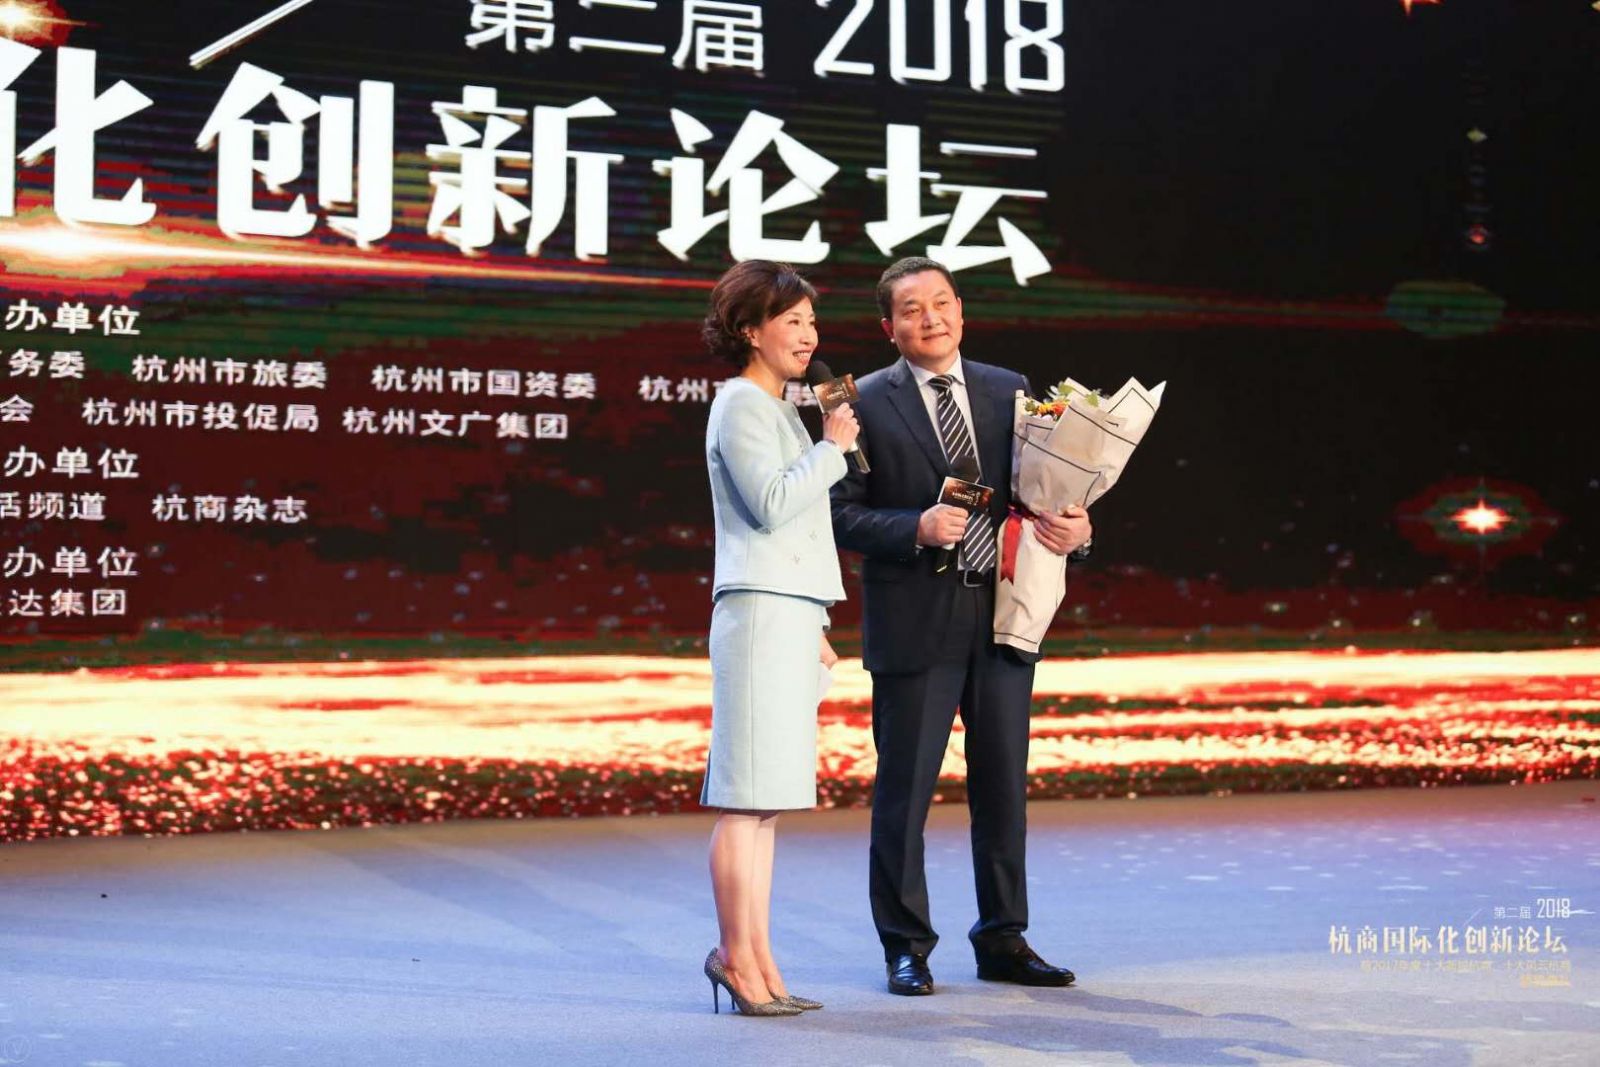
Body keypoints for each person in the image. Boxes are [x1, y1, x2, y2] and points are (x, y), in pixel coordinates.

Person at [830, 256, 1093, 996]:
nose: (931, 318)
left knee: (1004, 786)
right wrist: (913, 526)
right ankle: (905, 946)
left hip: (1002, 610)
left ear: (961, 311)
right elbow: (838, 511)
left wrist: (1077, 528)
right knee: (905, 793)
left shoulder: (1009, 389)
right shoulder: (859, 400)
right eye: (912, 309)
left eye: (942, 302)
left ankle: (1003, 937)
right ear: (888, 327)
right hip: (915, 618)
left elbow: (1043, 493)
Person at [698, 260, 860, 1017]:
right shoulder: (739, 403)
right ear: (748, 329)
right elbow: (769, 503)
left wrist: (819, 620)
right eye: (791, 321)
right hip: (759, 614)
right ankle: (736, 958)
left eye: (811, 321)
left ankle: (760, 960)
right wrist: (833, 447)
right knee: (745, 799)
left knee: (767, 803)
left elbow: (798, 529)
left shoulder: (777, 409)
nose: (808, 335)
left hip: (789, 613)